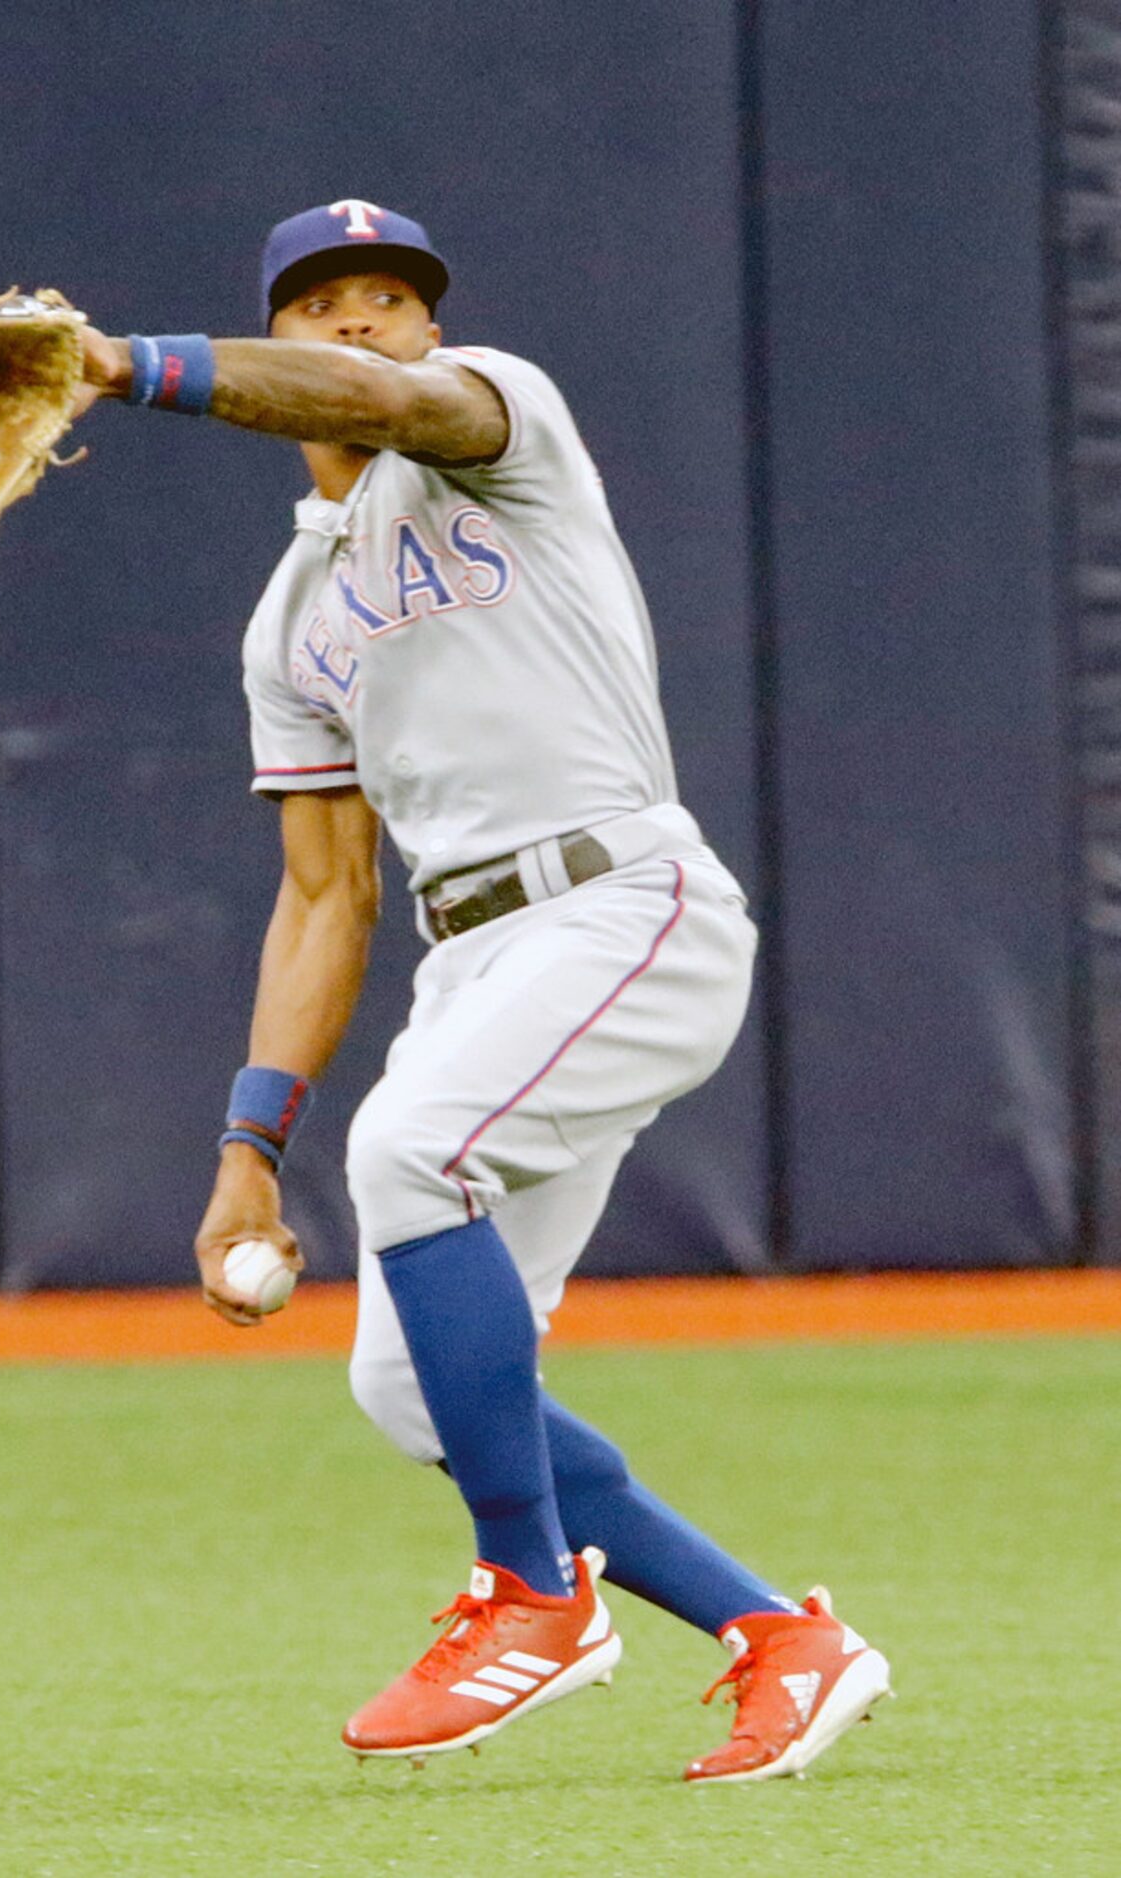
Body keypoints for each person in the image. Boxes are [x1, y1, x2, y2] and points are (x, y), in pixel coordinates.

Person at [74, 199, 892, 1781]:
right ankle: (777, 1636)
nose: (366, 320)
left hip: (621, 901)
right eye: (325, 299)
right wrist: (248, 1146)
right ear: (273, 332)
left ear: (433, 330)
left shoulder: (497, 423)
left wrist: (118, 365)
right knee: (409, 1382)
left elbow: (379, 409)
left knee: (409, 1156)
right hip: (479, 961)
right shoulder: (290, 623)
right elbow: (324, 896)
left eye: (394, 296)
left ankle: (531, 1594)